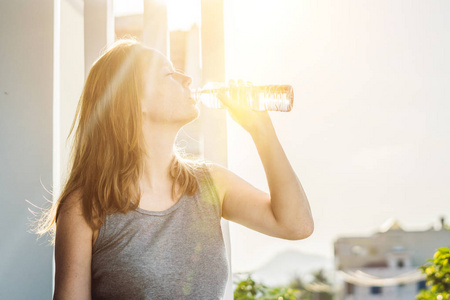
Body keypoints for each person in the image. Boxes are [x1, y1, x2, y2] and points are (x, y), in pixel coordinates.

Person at [33, 38, 314, 299]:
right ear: (134, 101)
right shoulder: (85, 208)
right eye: (168, 74)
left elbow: (296, 225)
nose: (187, 79)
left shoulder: (210, 183)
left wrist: (260, 130)